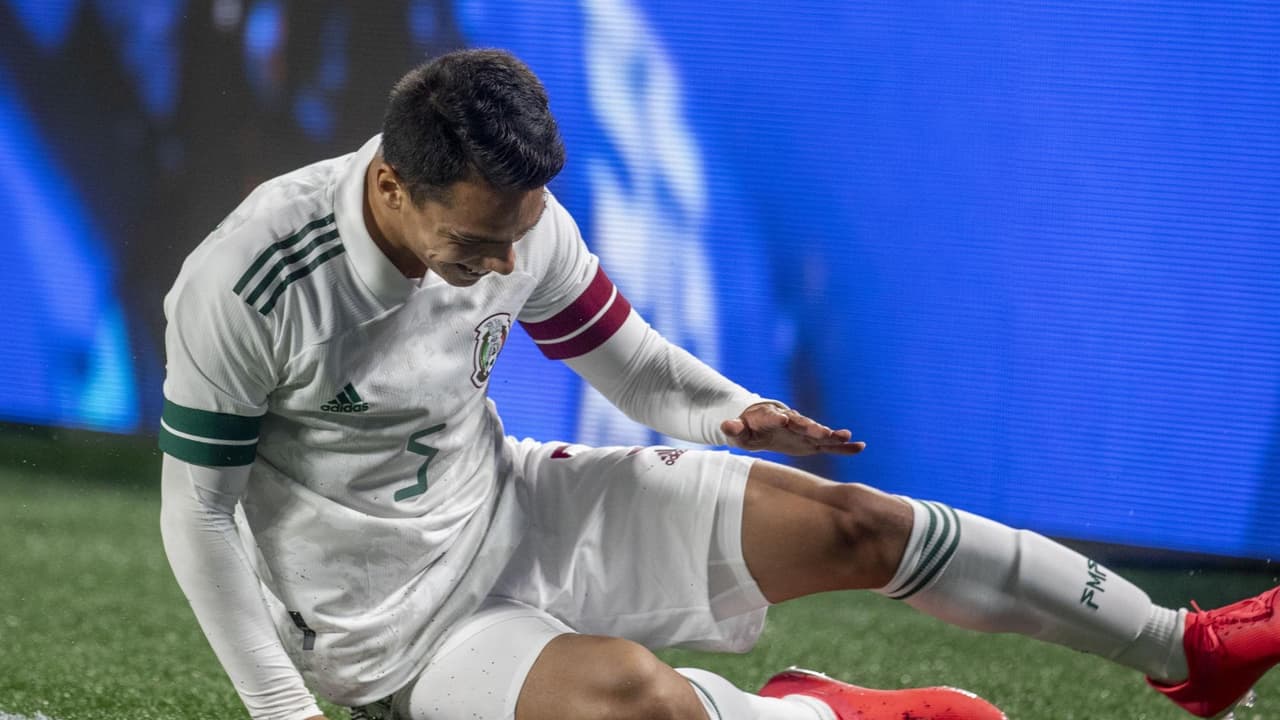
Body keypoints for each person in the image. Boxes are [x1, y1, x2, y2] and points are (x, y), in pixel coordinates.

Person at [158, 48, 1278, 720]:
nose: (503, 264)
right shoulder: (249, 281)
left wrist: (727, 410)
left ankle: (1184, 652)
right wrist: (284, 711)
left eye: (518, 234)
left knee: (856, 525)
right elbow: (199, 516)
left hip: (514, 506)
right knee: (635, 699)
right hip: (388, 633)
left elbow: (619, 352)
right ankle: (811, 711)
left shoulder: (515, 219)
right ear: (393, 187)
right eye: (476, 244)